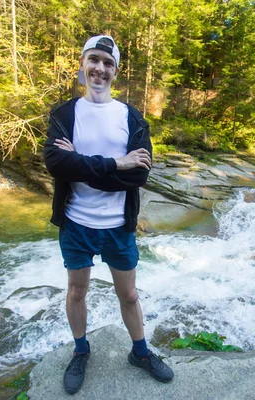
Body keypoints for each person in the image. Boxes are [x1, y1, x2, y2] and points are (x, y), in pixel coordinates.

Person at [43, 34, 174, 395]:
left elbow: (139, 175)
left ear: (116, 72)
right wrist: (116, 163)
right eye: (94, 60)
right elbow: (56, 163)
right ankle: (81, 350)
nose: (100, 68)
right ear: (83, 65)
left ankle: (141, 353)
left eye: (108, 63)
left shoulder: (131, 118)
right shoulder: (64, 114)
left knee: (129, 295)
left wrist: (80, 164)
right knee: (76, 291)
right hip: (76, 223)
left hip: (118, 227)